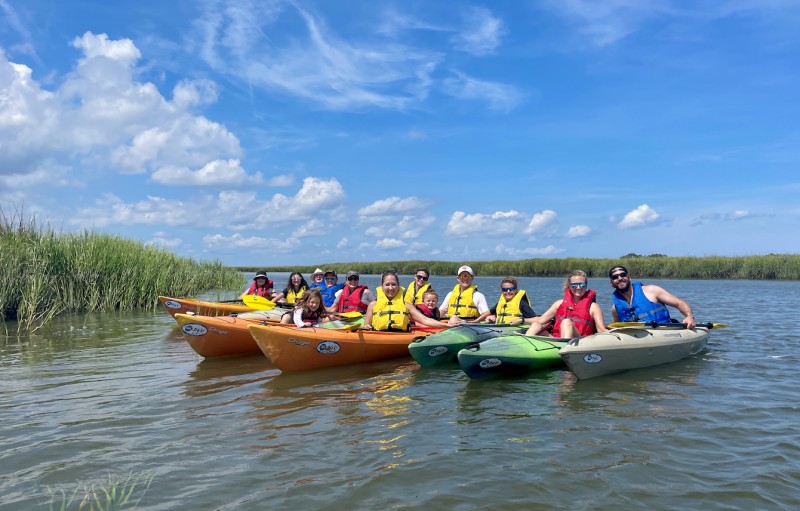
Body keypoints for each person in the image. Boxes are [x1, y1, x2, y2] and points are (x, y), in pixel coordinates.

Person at [609, 265, 696, 329]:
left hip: (662, 332)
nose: (620, 278)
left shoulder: (651, 290)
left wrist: (689, 316)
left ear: (629, 277)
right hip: (636, 338)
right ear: (612, 283)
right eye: (615, 277)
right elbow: (614, 325)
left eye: (623, 275)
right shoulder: (615, 308)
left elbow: (679, 303)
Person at [527, 270, 606, 338]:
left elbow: (601, 330)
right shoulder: (559, 304)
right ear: (569, 286)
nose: (578, 288)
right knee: (535, 325)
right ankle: (525, 347)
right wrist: (522, 320)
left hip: (579, 341)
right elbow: (540, 320)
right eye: (574, 285)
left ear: (586, 285)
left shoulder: (593, 307)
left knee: (566, 322)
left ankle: (565, 348)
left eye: (582, 285)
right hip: (556, 340)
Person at [364, 272, 452, 331]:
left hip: (401, 336)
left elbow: (425, 320)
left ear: (398, 285)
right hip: (379, 335)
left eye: (393, 284)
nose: (390, 288)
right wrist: (367, 327)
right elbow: (366, 326)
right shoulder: (373, 305)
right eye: (387, 285)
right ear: (382, 286)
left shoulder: (407, 306)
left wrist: (447, 325)